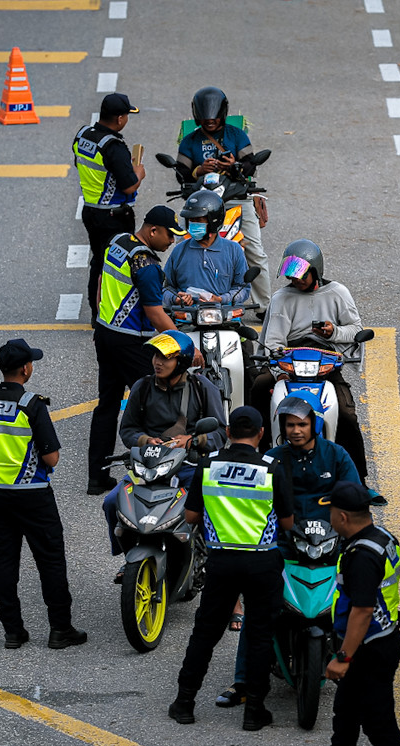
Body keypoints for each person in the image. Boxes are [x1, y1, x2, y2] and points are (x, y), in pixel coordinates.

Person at [214, 390, 361, 708]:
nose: (296, 430)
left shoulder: (336, 456)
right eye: (290, 424)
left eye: (302, 424)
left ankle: (362, 666)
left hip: (329, 544)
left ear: (315, 424)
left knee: (361, 597)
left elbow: (354, 493)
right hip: (283, 545)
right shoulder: (272, 459)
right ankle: (242, 682)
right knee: (259, 609)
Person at [168, 406, 293, 731]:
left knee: (205, 634)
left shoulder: (209, 467)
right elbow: (287, 522)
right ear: (261, 433)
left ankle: (184, 703)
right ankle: (254, 711)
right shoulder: (271, 468)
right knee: (260, 635)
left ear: (227, 430)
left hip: (222, 562)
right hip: (262, 561)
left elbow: (192, 516)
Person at [0, 339, 86, 650]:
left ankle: (13, 631)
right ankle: (60, 630)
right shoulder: (31, 405)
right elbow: (52, 458)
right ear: (25, 369)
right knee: (51, 562)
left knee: (4, 561)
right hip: (32, 495)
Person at [296, 481, 400, 746]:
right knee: (345, 715)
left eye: (331, 510)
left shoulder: (361, 554)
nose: (328, 516)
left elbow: (362, 611)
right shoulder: (382, 537)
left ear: (342, 517)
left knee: (380, 723)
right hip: (381, 640)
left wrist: (342, 657)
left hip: (368, 649)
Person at [105, 330, 227, 579]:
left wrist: (192, 441)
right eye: (156, 356)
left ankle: (210, 561)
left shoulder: (203, 388)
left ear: (181, 362)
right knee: (111, 504)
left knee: (208, 511)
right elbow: (127, 428)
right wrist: (145, 440)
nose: (157, 362)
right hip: (148, 466)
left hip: (190, 466)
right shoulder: (142, 387)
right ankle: (130, 556)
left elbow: (220, 434)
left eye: (165, 358)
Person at [87, 205, 189, 495]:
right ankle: (158, 475)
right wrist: (183, 344)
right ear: (153, 230)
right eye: (170, 235)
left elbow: (100, 284)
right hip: (132, 342)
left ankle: (97, 477)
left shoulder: (118, 242)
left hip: (106, 333)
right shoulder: (145, 263)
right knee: (157, 403)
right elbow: (155, 315)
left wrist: (100, 320)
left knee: (106, 406)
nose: (172, 242)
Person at [250, 239, 369, 482]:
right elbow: (273, 341)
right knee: (259, 388)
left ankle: (359, 479)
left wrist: (333, 332)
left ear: (316, 271)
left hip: (324, 361)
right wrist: (279, 372)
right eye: (292, 277)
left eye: (302, 276)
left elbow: (355, 329)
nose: (296, 282)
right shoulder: (281, 298)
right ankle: (259, 458)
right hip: (289, 359)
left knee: (347, 413)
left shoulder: (338, 293)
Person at [176, 87, 272, 314]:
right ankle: (183, 300)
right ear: (198, 115)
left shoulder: (237, 136)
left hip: (237, 200)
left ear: (223, 114)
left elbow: (251, 165)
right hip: (200, 205)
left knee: (255, 251)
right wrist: (199, 170)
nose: (210, 122)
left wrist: (234, 166)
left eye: (215, 118)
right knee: (185, 248)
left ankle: (265, 306)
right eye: (206, 119)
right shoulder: (189, 141)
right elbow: (180, 172)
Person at [73, 92, 146, 315]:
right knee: (116, 264)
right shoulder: (113, 146)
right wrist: (139, 173)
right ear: (120, 119)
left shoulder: (83, 135)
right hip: (113, 216)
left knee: (98, 262)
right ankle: (108, 313)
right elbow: (129, 186)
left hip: (91, 210)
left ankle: (96, 313)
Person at [162, 189, 251, 308]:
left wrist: (220, 299)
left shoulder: (234, 250)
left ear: (213, 221)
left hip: (223, 316)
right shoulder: (179, 250)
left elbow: (242, 289)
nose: (193, 224)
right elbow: (165, 288)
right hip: (186, 317)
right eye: (191, 220)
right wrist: (177, 298)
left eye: (198, 220)